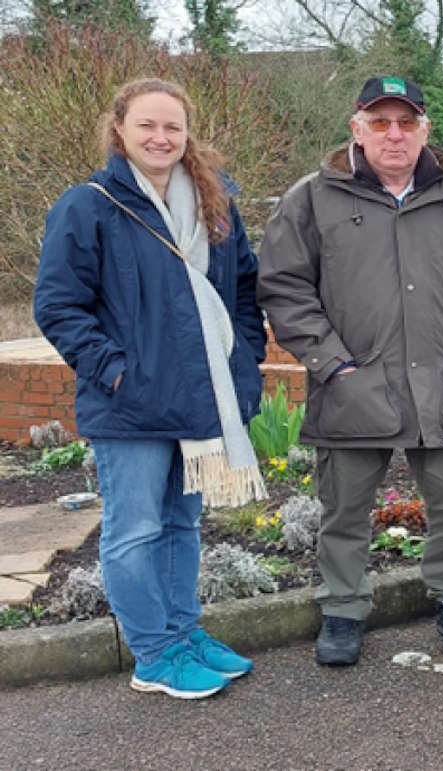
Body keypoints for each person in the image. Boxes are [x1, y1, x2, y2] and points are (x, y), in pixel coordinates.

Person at [257, 76, 443, 664]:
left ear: (426, 129)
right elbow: (283, 287)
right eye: (380, 122)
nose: (394, 134)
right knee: (344, 511)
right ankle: (343, 610)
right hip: (354, 388)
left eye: (407, 122)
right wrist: (333, 364)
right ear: (357, 128)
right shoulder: (313, 197)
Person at [33, 78, 266, 699]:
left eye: (173, 127)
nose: (161, 138)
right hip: (129, 405)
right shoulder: (88, 206)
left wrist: (245, 359)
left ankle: (184, 633)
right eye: (147, 126)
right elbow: (58, 307)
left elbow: (244, 290)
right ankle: (154, 655)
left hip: (199, 397)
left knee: (181, 525)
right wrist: (115, 372)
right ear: (120, 131)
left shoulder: (214, 205)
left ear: (188, 135)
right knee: (134, 530)